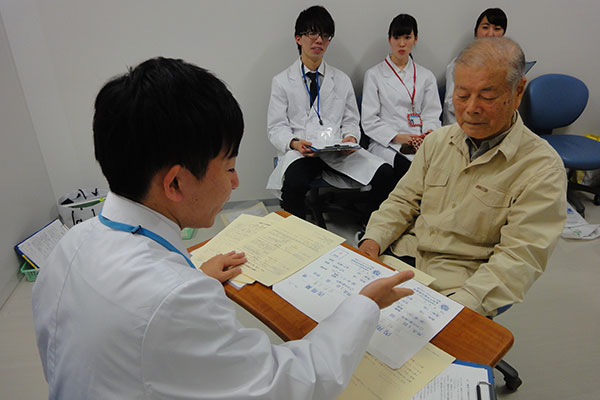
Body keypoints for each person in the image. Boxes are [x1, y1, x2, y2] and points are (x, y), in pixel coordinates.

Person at [32, 57, 415, 399]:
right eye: (229, 167)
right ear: (176, 184)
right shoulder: (176, 301)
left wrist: (191, 275)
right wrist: (363, 307)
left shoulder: (70, 246)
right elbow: (289, 384)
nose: (235, 183)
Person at [359, 38, 567, 317]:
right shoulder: (438, 142)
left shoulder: (541, 168)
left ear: (518, 92)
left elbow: (519, 259)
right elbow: (402, 201)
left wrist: (457, 309)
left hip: (457, 287)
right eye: (462, 94)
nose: (470, 108)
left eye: (487, 96)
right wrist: (371, 243)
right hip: (400, 261)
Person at [266, 5, 395, 221]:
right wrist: (295, 143)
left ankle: (371, 228)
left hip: (336, 149)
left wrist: (351, 138)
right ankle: (294, 235)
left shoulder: (341, 79)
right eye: (312, 33)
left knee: (385, 174)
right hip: (302, 151)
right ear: (298, 38)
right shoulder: (281, 82)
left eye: (325, 35)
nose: (319, 40)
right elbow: (276, 127)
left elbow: (351, 119)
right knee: (294, 183)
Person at [361, 14, 442, 181]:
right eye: (397, 37)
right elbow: (369, 120)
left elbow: (432, 114)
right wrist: (398, 137)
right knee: (408, 171)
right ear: (389, 39)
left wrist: (425, 136)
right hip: (387, 144)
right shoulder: (374, 75)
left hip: (420, 143)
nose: (402, 43)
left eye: (407, 37)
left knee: (439, 171)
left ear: (416, 39)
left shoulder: (426, 76)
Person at [443, 8, 507, 125]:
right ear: (476, 32)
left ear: (503, 34)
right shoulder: (460, 63)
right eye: (485, 27)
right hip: (463, 126)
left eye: (497, 29)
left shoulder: (507, 65)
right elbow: (452, 104)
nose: (490, 33)